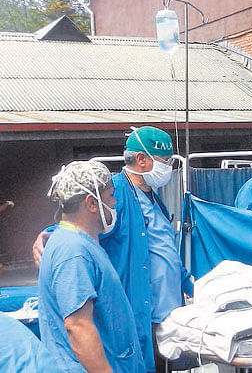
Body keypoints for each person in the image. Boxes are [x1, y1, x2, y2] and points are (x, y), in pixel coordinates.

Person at [33, 126, 193, 373]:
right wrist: (47, 236)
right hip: (141, 317)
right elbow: (76, 221)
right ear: (141, 159)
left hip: (163, 318)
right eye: (165, 161)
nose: (169, 168)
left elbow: (164, 250)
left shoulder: (152, 198)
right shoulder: (112, 194)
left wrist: (190, 286)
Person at [38, 161, 145, 373]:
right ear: (91, 203)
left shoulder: (81, 243)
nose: (115, 203)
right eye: (110, 196)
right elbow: (78, 326)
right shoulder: (73, 251)